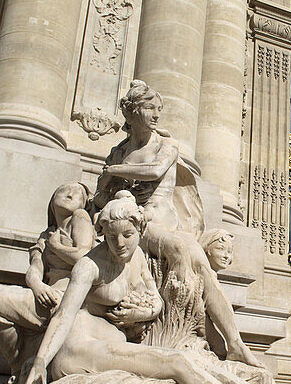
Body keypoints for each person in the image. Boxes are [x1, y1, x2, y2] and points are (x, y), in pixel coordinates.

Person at [25, 191, 291, 384]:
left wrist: (137, 314)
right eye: (112, 237)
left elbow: (155, 303)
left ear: (141, 231)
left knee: (186, 358)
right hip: (77, 352)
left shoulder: (135, 256)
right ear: (103, 234)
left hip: (107, 346)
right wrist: (40, 362)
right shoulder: (89, 266)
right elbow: (64, 315)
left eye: (128, 235)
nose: (120, 244)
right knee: (177, 361)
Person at [94, 81, 259, 366]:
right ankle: (229, 343)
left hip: (163, 220)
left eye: (159, 109)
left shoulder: (165, 146)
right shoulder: (118, 152)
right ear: (132, 113)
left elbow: (155, 170)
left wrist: (113, 172)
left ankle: (233, 343)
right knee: (191, 255)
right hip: (142, 227)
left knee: (199, 263)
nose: (156, 115)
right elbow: (99, 198)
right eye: (149, 109)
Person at [0, 182, 95, 371]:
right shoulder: (46, 235)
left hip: (66, 297)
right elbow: (35, 269)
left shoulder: (80, 217)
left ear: (84, 205)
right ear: (52, 201)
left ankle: (18, 359)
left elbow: (86, 257)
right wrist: (37, 286)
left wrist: (56, 247)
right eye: (63, 190)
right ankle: (22, 356)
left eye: (78, 193)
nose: (69, 194)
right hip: (46, 293)